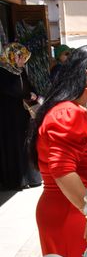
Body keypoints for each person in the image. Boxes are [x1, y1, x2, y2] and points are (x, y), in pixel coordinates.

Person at [28, 45, 87, 257]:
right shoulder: (67, 113)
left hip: (78, 212)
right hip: (71, 215)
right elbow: (63, 171)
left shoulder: (78, 109)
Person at [0, 43, 35, 191]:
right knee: (13, 146)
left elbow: (27, 86)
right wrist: (28, 95)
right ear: (11, 57)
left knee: (25, 144)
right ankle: (16, 180)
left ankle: (30, 178)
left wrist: (33, 93)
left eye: (23, 57)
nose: (22, 61)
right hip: (8, 117)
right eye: (20, 57)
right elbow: (12, 91)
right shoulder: (2, 72)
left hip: (21, 115)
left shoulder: (20, 71)